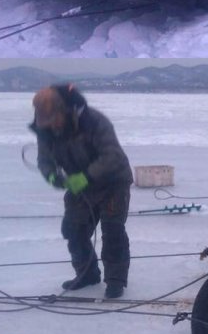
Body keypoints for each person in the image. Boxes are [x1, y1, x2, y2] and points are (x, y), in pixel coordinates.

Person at [31, 84, 133, 299]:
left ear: (64, 110)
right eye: (45, 122)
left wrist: (86, 176)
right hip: (80, 185)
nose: (51, 126)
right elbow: (44, 160)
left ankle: (115, 281)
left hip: (113, 182)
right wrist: (51, 175)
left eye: (53, 119)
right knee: (73, 230)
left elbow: (112, 156)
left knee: (113, 231)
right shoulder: (45, 130)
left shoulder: (94, 121)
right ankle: (87, 274)